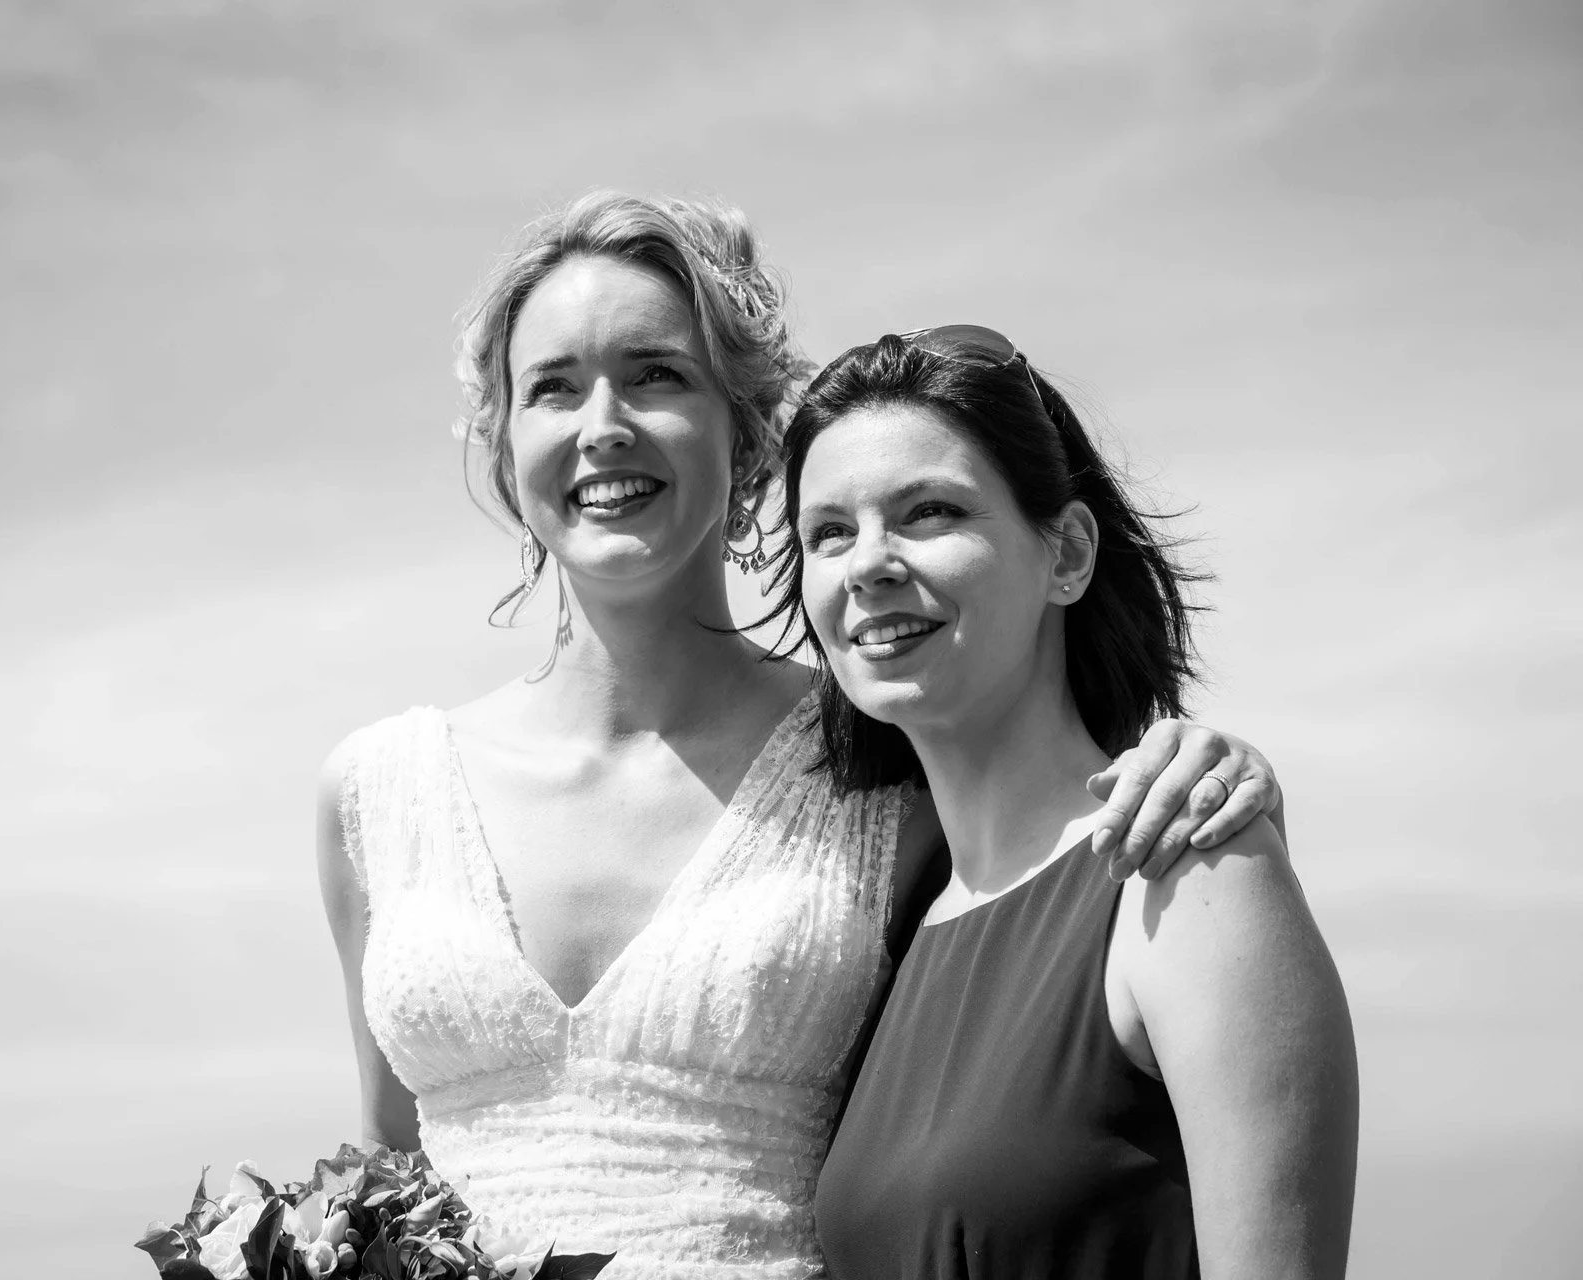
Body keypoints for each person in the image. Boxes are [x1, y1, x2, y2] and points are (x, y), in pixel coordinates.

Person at [316, 195, 1285, 1280]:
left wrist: (1214, 767)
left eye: (655, 374)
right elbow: (383, 1190)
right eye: (554, 386)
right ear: (505, 447)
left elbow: (1051, 853)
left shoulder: (880, 755)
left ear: (750, 428)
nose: (604, 425)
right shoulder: (375, 790)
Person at [790, 329, 1358, 1280]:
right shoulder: (891, 928)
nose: (868, 565)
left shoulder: (1192, 873)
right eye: (829, 532)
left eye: (929, 512)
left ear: (1068, 553)